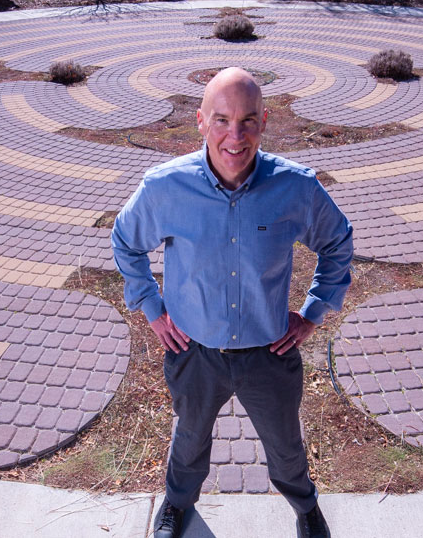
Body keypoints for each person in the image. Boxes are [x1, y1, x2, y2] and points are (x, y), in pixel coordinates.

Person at [111, 67, 353, 538]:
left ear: (263, 122)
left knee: (285, 445)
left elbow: (338, 242)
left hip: (269, 351)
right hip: (194, 352)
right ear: (201, 122)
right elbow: (125, 241)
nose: (234, 136)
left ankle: (306, 509)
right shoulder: (165, 187)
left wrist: (313, 312)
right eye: (221, 120)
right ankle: (177, 505)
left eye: (247, 121)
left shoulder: (296, 188)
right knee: (190, 437)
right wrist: (152, 307)